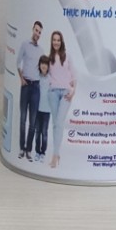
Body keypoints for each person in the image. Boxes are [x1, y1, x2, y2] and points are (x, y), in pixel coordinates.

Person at [48, 31, 76, 169]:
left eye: (58, 40)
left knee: (59, 122)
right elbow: (44, 74)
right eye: (54, 40)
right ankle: (56, 153)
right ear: (51, 41)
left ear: (61, 41)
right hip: (53, 93)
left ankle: (55, 155)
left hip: (65, 93)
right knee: (55, 124)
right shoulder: (49, 58)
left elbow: (74, 76)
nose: (56, 42)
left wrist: (73, 92)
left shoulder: (67, 56)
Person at [16, 20, 42, 161]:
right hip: (26, 85)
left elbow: (44, 69)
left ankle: (29, 150)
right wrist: (21, 78)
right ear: (33, 29)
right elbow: (18, 62)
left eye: (39, 32)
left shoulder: (41, 50)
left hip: (36, 87)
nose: (37, 33)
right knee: (22, 119)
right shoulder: (25, 44)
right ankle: (21, 148)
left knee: (33, 122)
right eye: (36, 30)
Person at [34, 56, 51, 162]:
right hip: (36, 109)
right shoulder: (36, 77)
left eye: (46, 64)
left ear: (48, 66)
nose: (44, 66)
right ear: (39, 65)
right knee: (37, 132)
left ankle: (43, 152)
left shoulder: (51, 78)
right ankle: (37, 152)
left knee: (44, 132)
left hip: (47, 110)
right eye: (42, 63)